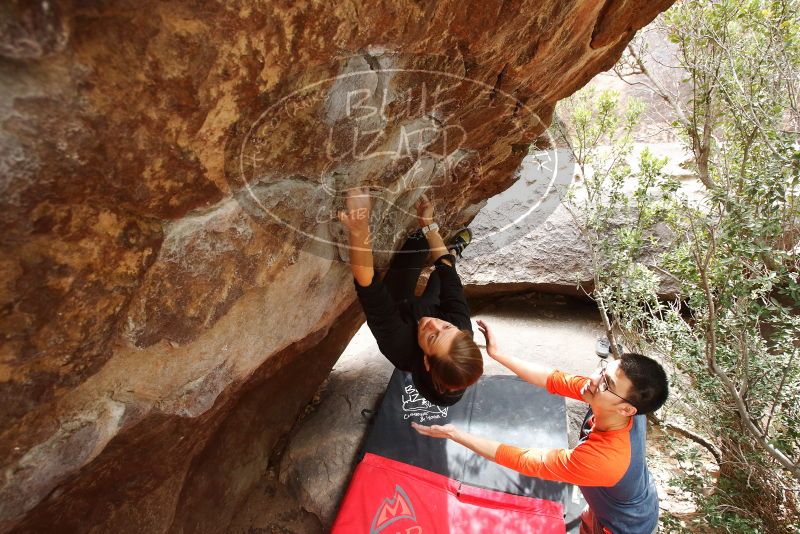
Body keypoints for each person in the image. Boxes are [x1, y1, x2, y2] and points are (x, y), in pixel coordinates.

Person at [412, 319, 669, 534]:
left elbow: (525, 460)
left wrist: (454, 434)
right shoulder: (612, 400)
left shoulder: (602, 460)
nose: (593, 379)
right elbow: (554, 380)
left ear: (626, 410)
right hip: (624, 498)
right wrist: (498, 354)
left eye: (606, 383)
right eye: (603, 371)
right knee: (590, 518)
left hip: (624, 527)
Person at [338, 187, 483, 406]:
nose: (433, 324)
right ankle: (455, 249)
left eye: (433, 337)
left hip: (400, 306)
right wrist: (428, 225)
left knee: (413, 249)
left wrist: (358, 228)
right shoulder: (460, 326)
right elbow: (447, 270)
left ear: (426, 360)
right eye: (446, 328)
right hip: (428, 305)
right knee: (431, 260)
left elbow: (367, 283)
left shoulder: (399, 345)